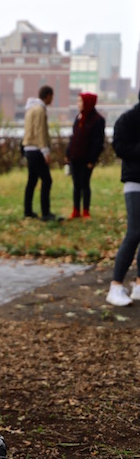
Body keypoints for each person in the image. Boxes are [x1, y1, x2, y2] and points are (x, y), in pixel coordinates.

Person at [106, 90, 140, 306]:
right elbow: (119, 146)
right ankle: (116, 285)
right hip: (134, 181)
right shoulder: (128, 120)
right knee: (135, 232)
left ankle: (138, 284)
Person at [65, 92, 105, 219]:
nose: (78, 104)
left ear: (87, 103)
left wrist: (92, 160)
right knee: (76, 184)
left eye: (80, 102)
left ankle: (86, 210)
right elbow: (74, 137)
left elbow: (98, 142)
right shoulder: (78, 117)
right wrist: (68, 153)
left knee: (84, 183)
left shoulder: (97, 120)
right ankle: (76, 209)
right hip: (75, 157)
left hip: (86, 159)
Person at [22, 85, 59, 221]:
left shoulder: (30, 108)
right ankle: (45, 213)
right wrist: (45, 151)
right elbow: (40, 131)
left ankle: (28, 210)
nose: (52, 99)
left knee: (32, 180)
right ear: (48, 95)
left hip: (28, 148)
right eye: (52, 96)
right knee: (47, 180)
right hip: (36, 149)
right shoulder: (40, 109)